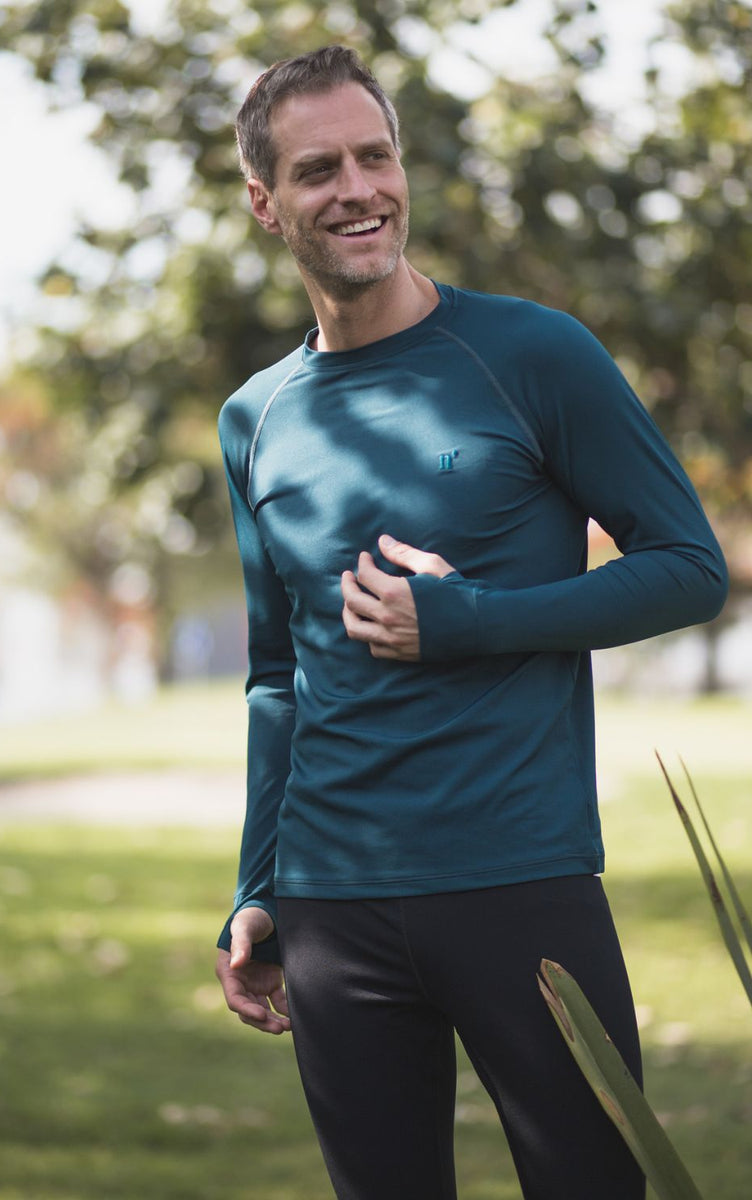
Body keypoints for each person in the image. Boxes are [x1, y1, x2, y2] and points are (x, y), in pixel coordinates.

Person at [213, 44, 727, 1200]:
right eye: (315, 171)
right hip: (332, 901)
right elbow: (274, 673)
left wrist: (469, 619)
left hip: (519, 882)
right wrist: (257, 886)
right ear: (265, 204)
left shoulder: (530, 354)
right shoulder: (253, 419)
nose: (356, 189)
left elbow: (688, 569)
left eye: (374, 156)